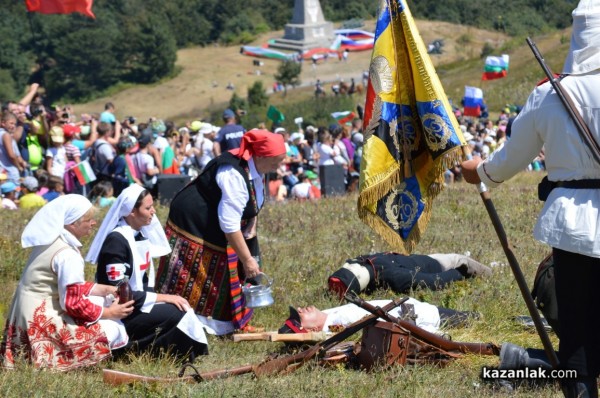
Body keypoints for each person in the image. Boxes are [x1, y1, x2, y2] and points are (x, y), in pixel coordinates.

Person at [461, 2, 600, 395]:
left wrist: (477, 171)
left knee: (576, 338)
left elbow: (503, 165)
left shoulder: (548, 96)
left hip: (573, 229)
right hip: (574, 225)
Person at [155, 129, 286, 335]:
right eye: (277, 161)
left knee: (231, 267)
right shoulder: (232, 172)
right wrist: (247, 259)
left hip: (219, 222)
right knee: (199, 273)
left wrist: (251, 226)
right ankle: (191, 323)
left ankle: (230, 322)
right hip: (192, 221)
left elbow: (252, 200)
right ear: (260, 156)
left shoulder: (257, 169)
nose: (281, 165)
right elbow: (229, 224)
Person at [0, 195, 132, 370]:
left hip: (25, 315)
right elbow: (72, 303)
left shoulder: (51, 242)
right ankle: (68, 363)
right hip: (42, 321)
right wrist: (110, 312)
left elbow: (65, 285)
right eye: (88, 219)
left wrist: (102, 289)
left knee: (99, 300)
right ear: (72, 224)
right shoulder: (67, 254)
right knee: (112, 327)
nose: (93, 223)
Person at [86, 184, 208, 360]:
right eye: (148, 208)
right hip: (121, 309)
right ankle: (129, 351)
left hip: (137, 300)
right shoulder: (117, 241)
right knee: (176, 312)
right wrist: (164, 298)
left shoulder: (138, 235)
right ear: (131, 212)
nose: (153, 212)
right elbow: (118, 291)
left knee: (180, 307)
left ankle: (170, 353)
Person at [278, 298, 479, 336]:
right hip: (417, 319)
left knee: (473, 319)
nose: (301, 309)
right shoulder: (335, 327)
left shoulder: (328, 316)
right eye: (300, 316)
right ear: (310, 329)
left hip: (415, 311)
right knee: (475, 321)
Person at [328, 252, 492, 299]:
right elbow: (435, 281)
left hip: (421, 259)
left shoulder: (366, 265)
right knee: (461, 259)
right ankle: (491, 274)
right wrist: (460, 272)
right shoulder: (391, 276)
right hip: (437, 264)